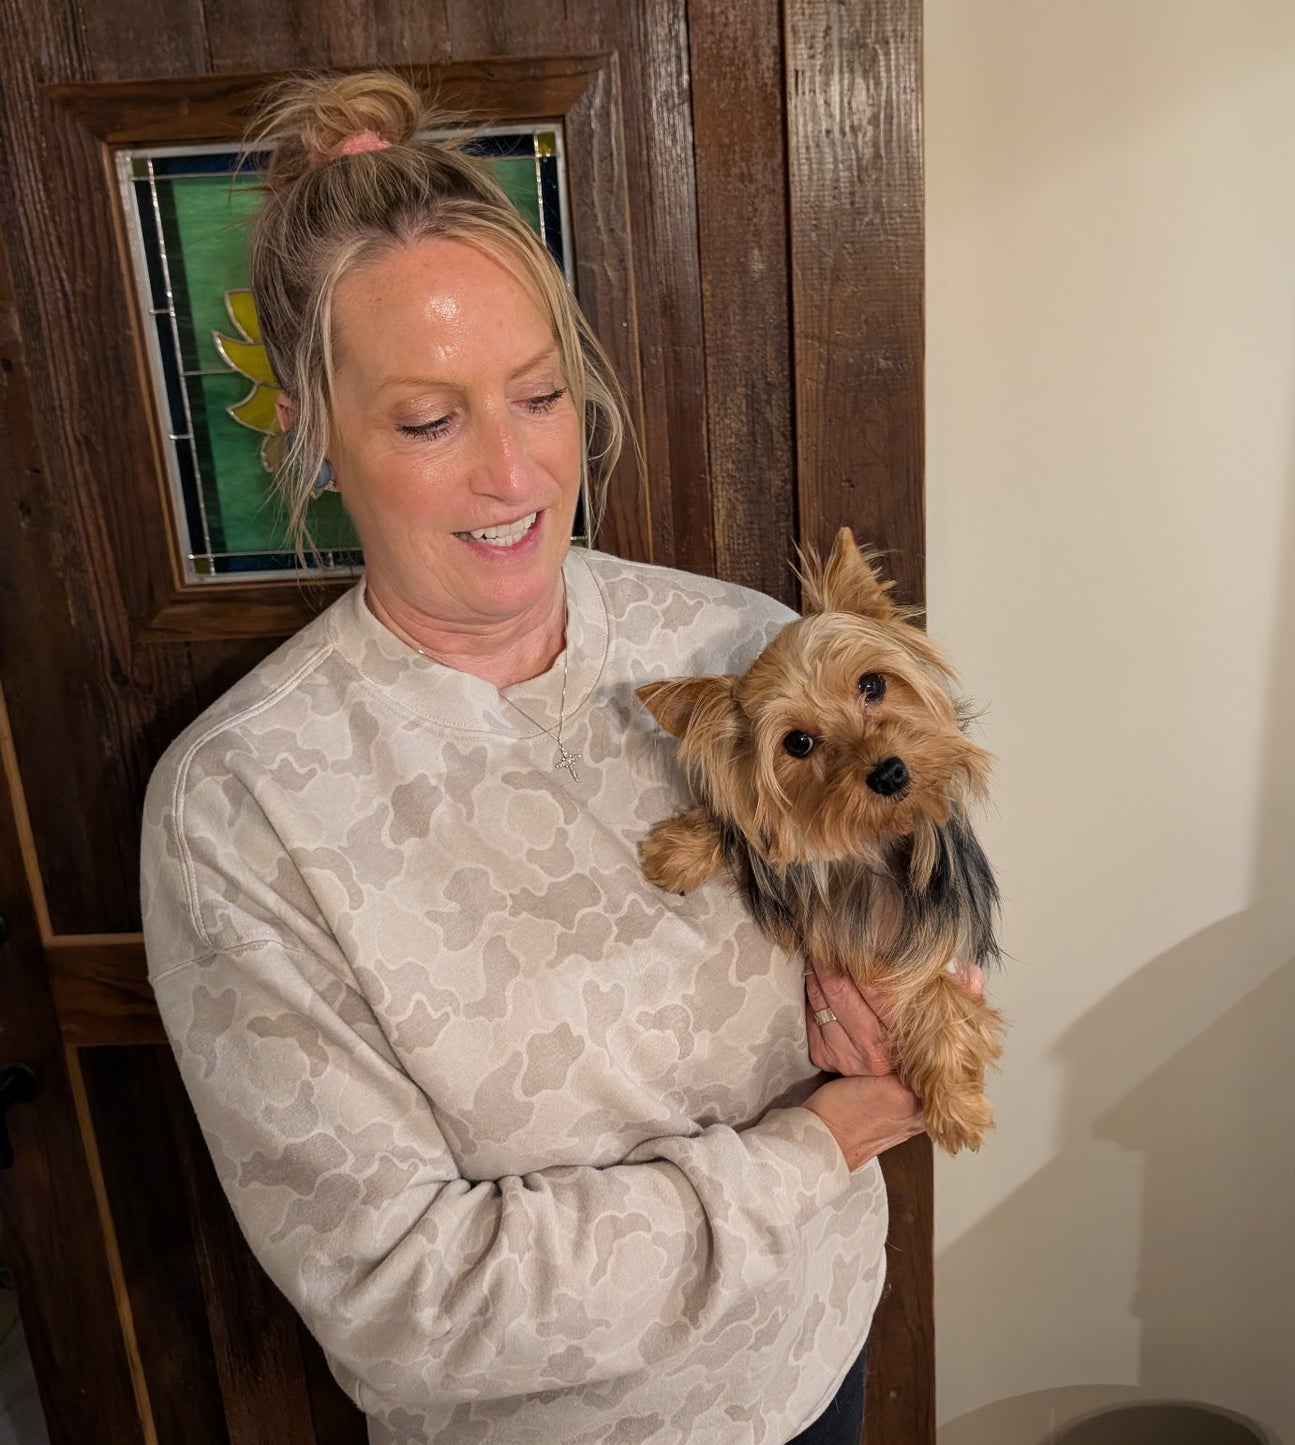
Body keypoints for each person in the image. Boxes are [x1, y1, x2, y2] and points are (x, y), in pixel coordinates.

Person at [141, 70, 977, 1445]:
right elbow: (406, 1302)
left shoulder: (738, 643)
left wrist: (913, 979)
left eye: (539, 396)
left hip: (814, 1354)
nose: (515, 474)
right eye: (428, 421)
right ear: (309, 432)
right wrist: (819, 1143)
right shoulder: (240, 805)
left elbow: (928, 870)